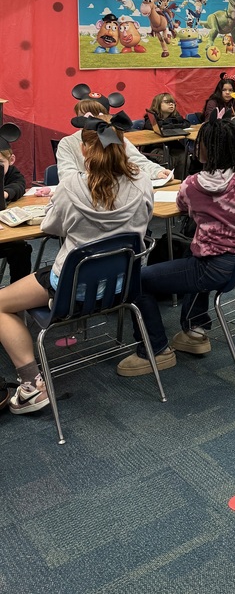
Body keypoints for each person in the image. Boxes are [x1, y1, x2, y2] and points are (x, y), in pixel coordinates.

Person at [117, 116, 235, 376]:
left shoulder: (192, 185)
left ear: (205, 149)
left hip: (216, 267)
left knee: (138, 279)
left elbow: (181, 207)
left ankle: (155, 350)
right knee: (195, 254)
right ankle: (194, 329)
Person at [0, 118, 153, 413]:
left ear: (83, 150)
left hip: (72, 290)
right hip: (122, 286)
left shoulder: (71, 187)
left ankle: (32, 385)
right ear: (123, 147)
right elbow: (144, 226)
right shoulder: (142, 182)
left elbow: (51, 226)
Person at [57, 98, 172, 181]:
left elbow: (136, 160)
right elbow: (67, 176)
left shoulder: (113, 136)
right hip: (85, 196)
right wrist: (100, 179)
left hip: (117, 191)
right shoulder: (68, 143)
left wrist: (157, 171)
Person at [0, 127, 34, 283]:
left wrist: (6, 193)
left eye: (0, 163)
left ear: (11, 160)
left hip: (5, 233)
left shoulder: (12, 172)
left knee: (22, 249)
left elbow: (19, 184)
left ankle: (18, 289)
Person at [143, 92, 188, 176]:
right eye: (167, 102)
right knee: (166, 158)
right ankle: (167, 181)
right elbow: (151, 126)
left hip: (172, 146)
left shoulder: (174, 116)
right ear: (158, 104)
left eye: (173, 102)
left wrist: (168, 125)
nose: (171, 104)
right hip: (155, 147)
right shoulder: (150, 117)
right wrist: (173, 126)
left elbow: (186, 123)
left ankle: (180, 182)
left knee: (183, 156)